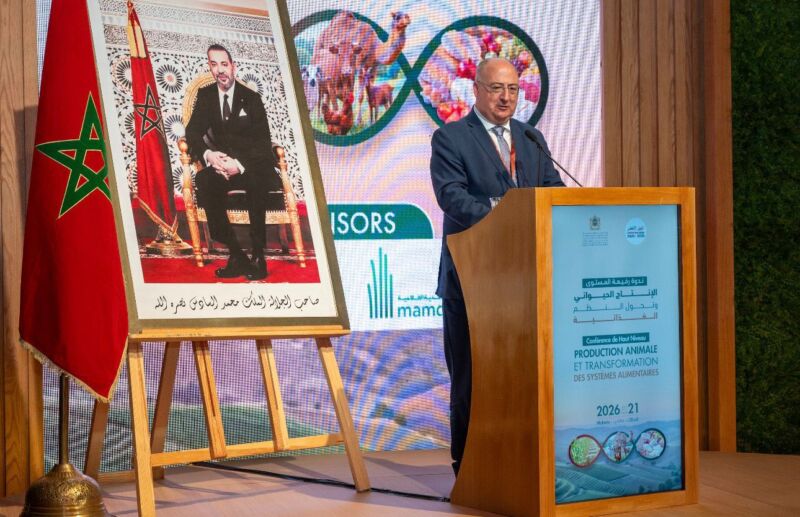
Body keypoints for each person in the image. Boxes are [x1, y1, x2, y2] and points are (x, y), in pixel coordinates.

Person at [430, 57, 565, 474]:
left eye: (512, 89)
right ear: (476, 90)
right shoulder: (451, 138)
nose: (506, 97)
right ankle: (470, 468)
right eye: (496, 88)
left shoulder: (531, 137)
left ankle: (520, 463)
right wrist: (508, 214)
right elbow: (452, 198)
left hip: (525, 282)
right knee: (472, 378)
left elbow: (553, 192)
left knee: (521, 377)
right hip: (472, 279)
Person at [186, 44, 283, 280]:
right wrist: (209, 156)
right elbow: (192, 132)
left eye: (224, 64)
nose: (220, 70)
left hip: (252, 165)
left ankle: (258, 256)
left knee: (256, 181)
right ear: (210, 67)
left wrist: (238, 164)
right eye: (214, 64)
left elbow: (263, 143)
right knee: (204, 179)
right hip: (222, 165)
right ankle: (237, 254)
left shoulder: (251, 98)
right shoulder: (206, 96)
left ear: (233, 66)